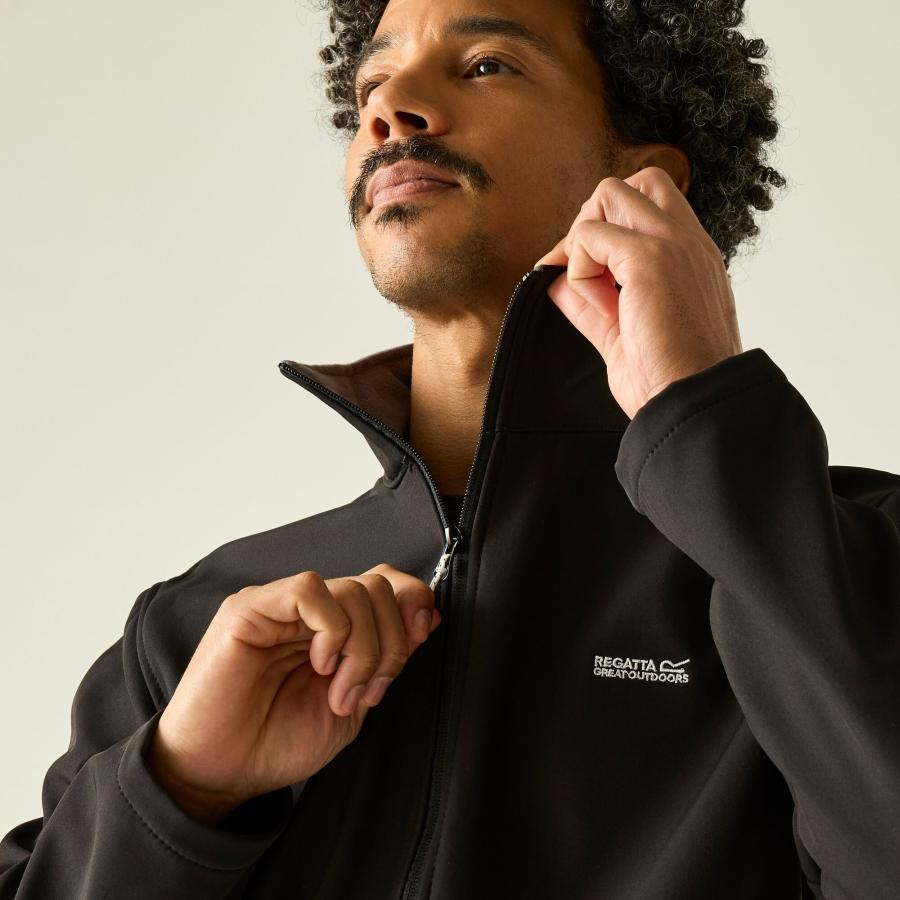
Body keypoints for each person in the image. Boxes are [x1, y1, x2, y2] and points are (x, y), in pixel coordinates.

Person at [2, 0, 898, 897]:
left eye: (485, 65)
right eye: (372, 86)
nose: (390, 113)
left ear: (645, 182)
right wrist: (181, 793)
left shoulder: (842, 564)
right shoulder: (202, 628)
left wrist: (708, 426)